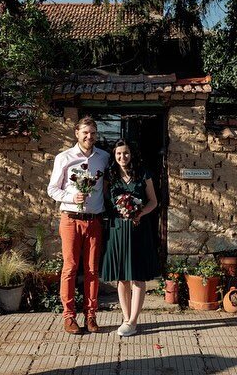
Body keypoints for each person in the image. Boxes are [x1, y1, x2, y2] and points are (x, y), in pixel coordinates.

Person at [47, 116, 109, 335]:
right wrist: (72, 198)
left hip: (94, 220)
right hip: (71, 219)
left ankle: (91, 316)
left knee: (92, 270)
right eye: (85, 132)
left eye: (92, 133)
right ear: (76, 133)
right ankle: (69, 316)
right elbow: (52, 189)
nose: (89, 136)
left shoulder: (104, 157)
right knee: (70, 268)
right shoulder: (63, 158)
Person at [101, 139, 160, 337]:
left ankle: (133, 320)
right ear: (114, 155)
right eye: (118, 154)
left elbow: (153, 201)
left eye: (125, 153)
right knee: (122, 277)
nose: (122, 157)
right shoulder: (110, 175)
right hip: (117, 229)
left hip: (138, 229)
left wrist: (139, 213)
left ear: (131, 154)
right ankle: (126, 318)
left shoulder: (143, 173)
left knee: (137, 276)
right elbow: (106, 202)